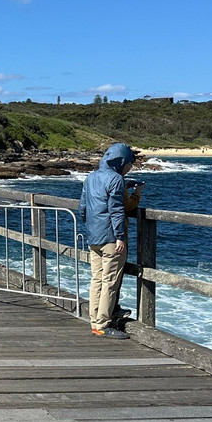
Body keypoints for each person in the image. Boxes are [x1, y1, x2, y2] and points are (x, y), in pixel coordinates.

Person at [78, 143, 143, 339]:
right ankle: (103, 324)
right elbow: (118, 210)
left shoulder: (91, 178)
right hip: (111, 239)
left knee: (96, 279)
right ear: (121, 162)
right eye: (129, 164)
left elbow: (82, 208)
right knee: (110, 282)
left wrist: (92, 226)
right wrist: (120, 236)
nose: (129, 168)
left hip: (94, 236)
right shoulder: (116, 179)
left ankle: (94, 320)